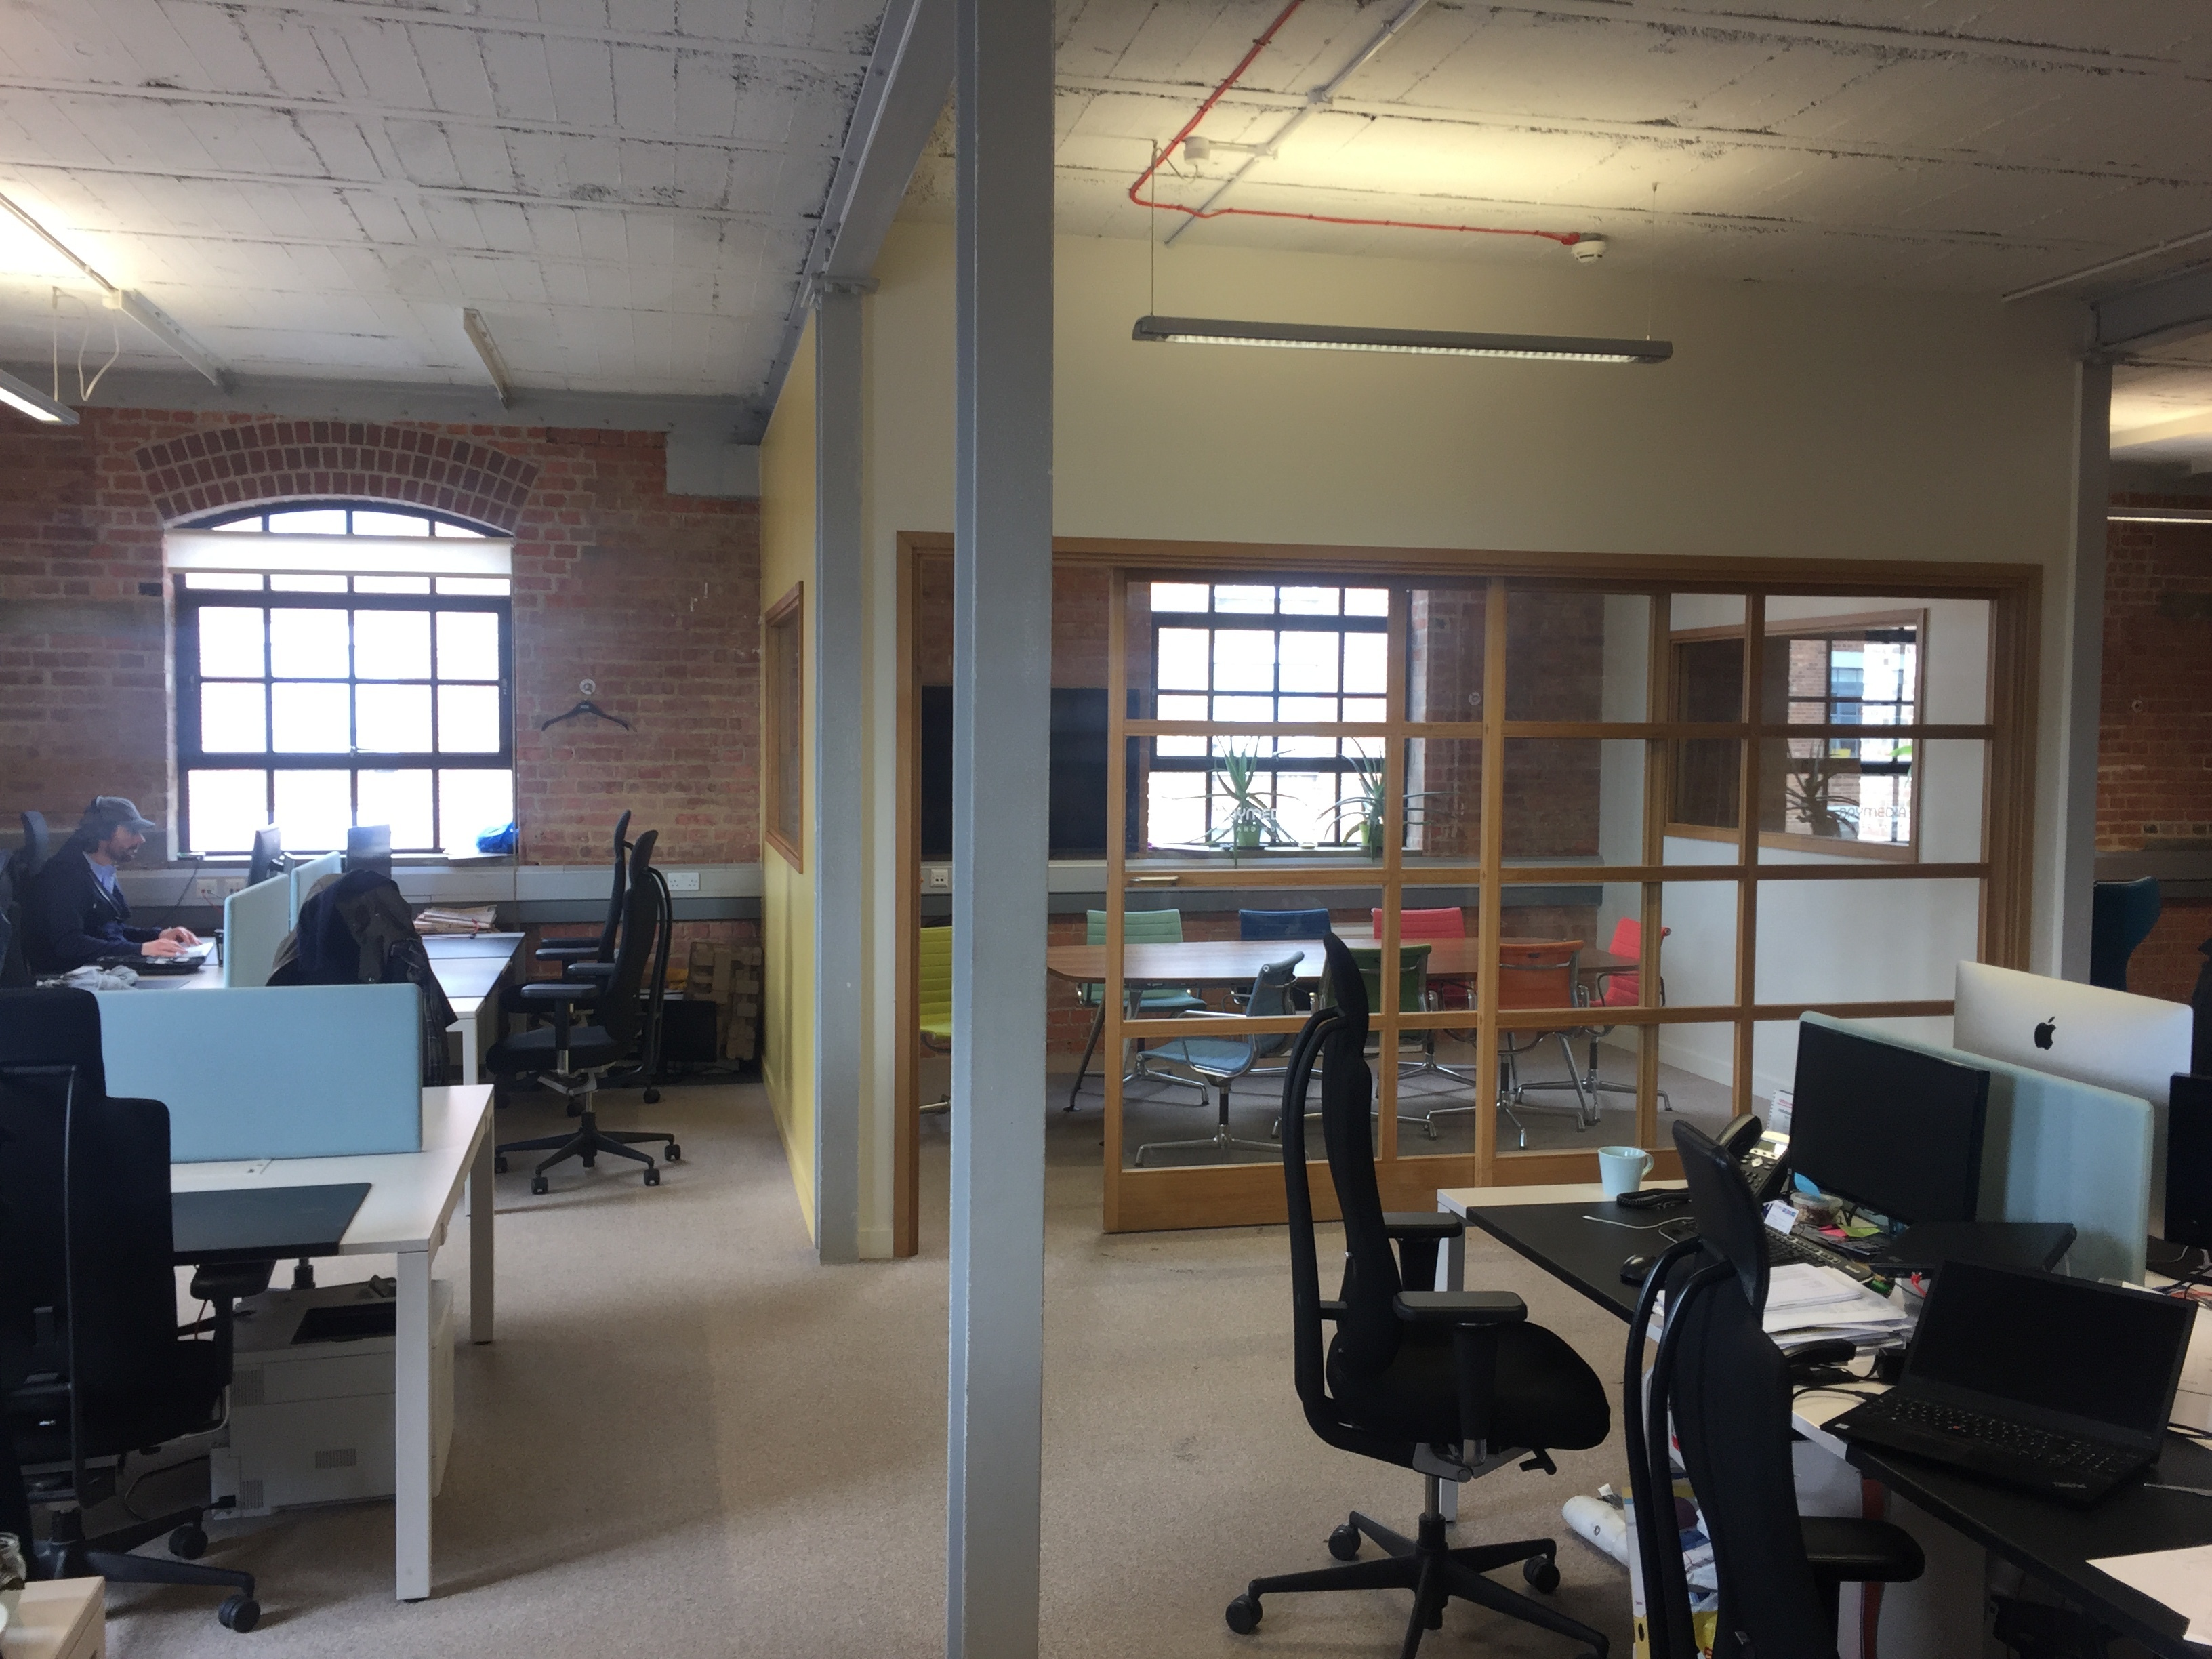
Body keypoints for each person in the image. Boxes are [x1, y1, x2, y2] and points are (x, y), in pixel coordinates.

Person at [22, 798, 200, 973]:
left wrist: (158, 936)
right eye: (132, 831)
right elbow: (69, 944)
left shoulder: (100, 870)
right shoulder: (66, 875)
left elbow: (108, 932)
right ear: (104, 832)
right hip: (74, 978)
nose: (141, 839)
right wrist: (140, 950)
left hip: (97, 970)